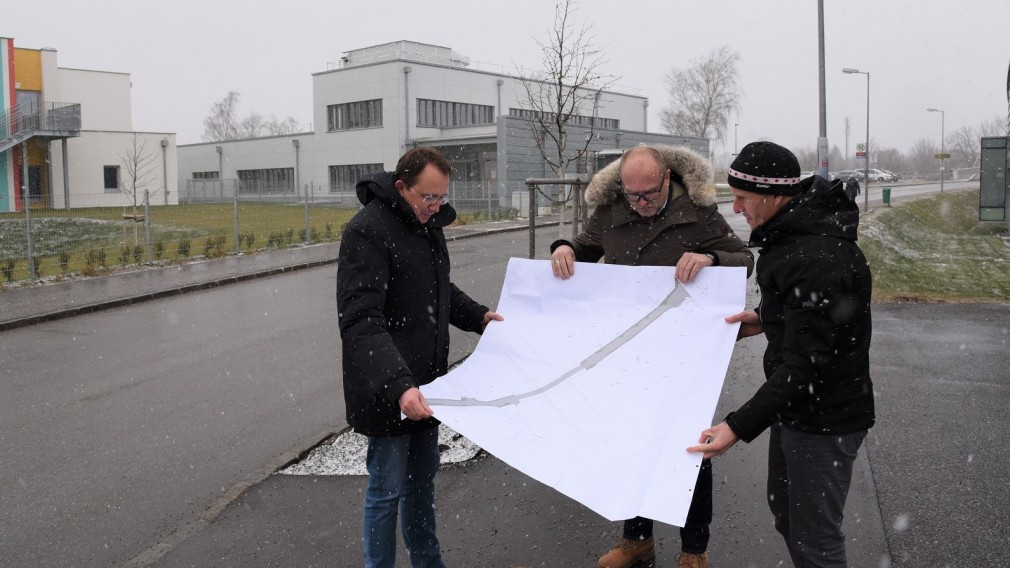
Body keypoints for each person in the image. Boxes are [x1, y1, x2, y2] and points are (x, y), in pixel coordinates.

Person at [550, 145, 755, 568]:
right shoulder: (610, 209)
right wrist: (565, 247)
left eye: (649, 195)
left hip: (682, 356)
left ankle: (693, 550)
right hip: (629, 354)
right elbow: (587, 246)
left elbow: (744, 259)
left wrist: (710, 257)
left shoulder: (698, 211)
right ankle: (637, 541)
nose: (641, 204)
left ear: (666, 180)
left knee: (688, 451)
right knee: (631, 443)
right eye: (633, 196)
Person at [688, 141, 875, 568]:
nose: (735, 208)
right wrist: (764, 318)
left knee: (816, 541)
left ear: (773, 196)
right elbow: (811, 315)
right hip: (800, 412)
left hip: (826, 419)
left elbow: (807, 363)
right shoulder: (794, 236)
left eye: (742, 198)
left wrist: (735, 427)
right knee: (789, 518)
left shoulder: (812, 255)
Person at [337, 147, 503, 568]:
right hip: (387, 389)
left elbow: (439, 291)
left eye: (442, 198)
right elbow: (360, 320)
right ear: (401, 187)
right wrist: (398, 386)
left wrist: (481, 317)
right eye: (428, 197)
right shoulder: (367, 231)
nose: (436, 206)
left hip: (427, 386)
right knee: (386, 492)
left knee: (420, 487)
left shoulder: (426, 225)